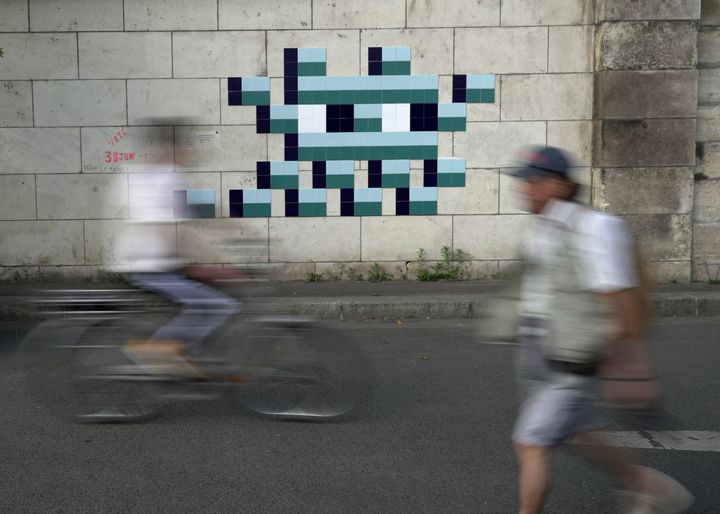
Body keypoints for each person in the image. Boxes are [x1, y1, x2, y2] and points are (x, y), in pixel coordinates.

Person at [508, 146, 693, 514]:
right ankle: (648, 486)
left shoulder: (595, 228)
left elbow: (618, 298)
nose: (526, 189)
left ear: (562, 185)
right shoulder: (543, 229)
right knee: (573, 433)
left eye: (536, 181)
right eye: (524, 181)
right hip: (543, 352)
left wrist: (629, 368)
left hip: (573, 361)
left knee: (530, 442)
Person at [112, 119, 239, 361]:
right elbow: (165, 229)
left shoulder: (134, 173)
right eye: (185, 146)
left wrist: (233, 228)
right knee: (221, 306)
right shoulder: (168, 177)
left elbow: (197, 213)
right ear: (171, 147)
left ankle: (185, 351)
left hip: (140, 261)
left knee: (203, 299)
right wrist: (199, 266)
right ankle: (157, 350)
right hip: (152, 266)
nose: (190, 152)